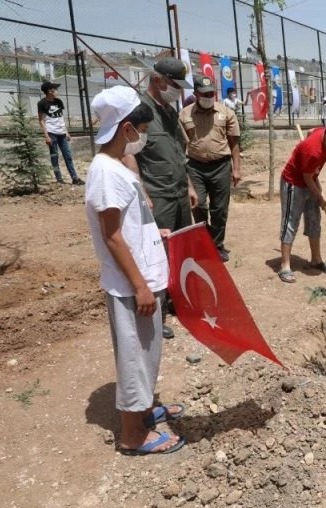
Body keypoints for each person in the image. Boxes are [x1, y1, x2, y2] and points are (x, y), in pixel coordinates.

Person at [85, 85, 186, 456]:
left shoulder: (116, 168)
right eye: (141, 130)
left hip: (142, 277)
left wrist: (150, 231)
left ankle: (143, 411)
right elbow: (111, 236)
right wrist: (141, 286)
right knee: (134, 356)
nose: (142, 136)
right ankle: (132, 435)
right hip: (131, 286)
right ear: (127, 129)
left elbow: (126, 223)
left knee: (147, 351)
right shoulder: (106, 173)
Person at [125, 56, 198, 340]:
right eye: (174, 85)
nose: (178, 91)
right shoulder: (140, 112)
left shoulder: (168, 111)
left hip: (178, 192)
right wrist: (141, 191)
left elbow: (179, 155)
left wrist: (190, 185)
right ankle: (160, 312)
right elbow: (129, 154)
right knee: (158, 255)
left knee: (181, 251)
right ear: (158, 80)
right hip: (157, 196)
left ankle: (180, 302)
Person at [278, 120, 326, 283]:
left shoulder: (323, 133)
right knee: (290, 222)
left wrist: (318, 195)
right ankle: (285, 265)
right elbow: (307, 178)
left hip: (310, 178)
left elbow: (312, 131)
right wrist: (320, 197)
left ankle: (316, 260)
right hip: (294, 183)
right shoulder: (313, 151)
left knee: (314, 221)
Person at [179, 75, 241, 263]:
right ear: (196, 94)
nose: (208, 96)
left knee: (219, 209)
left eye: (211, 93)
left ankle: (217, 246)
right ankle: (204, 242)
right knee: (199, 205)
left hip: (221, 166)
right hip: (195, 167)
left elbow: (235, 142)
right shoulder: (184, 114)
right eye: (204, 94)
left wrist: (236, 168)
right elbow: (180, 145)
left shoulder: (226, 113)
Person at [37, 81, 83, 185]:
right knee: (54, 156)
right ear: (49, 91)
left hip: (62, 133)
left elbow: (61, 118)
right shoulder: (42, 103)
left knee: (68, 156)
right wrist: (46, 136)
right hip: (51, 133)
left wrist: (66, 132)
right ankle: (59, 179)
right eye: (55, 89)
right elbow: (41, 120)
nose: (57, 91)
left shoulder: (59, 101)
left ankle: (75, 178)